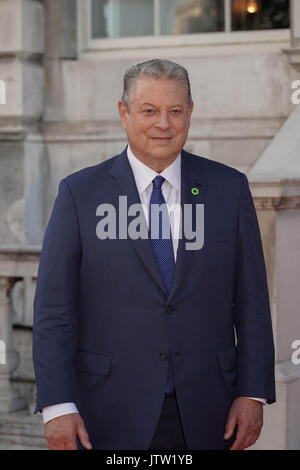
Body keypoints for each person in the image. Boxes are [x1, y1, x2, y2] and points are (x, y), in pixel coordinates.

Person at [32, 59, 275, 451]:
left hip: (209, 409)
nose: (163, 123)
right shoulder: (79, 195)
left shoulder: (230, 189)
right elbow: (53, 310)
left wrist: (254, 392)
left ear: (190, 113)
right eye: (149, 110)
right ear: (123, 113)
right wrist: (57, 405)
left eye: (175, 110)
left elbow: (252, 303)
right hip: (105, 411)